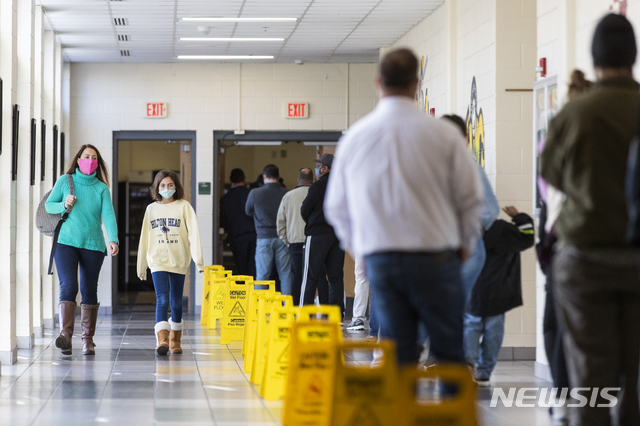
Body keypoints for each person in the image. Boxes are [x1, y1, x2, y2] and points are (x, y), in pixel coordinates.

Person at [325, 48, 483, 366]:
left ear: (378, 83)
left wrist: (361, 249)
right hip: (437, 256)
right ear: (417, 84)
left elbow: (336, 208)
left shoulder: (356, 138)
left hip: (383, 259)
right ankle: (453, 412)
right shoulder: (445, 135)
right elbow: (470, 198)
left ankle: (398, 409)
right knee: (448, 349)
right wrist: (465, 244)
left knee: (396, 351)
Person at [541, 13, 640, 426]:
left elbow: (551, 174)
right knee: (634, 375)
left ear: (594, 57)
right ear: (633, 55)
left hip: (585, 257)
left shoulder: (576, 113)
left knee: (590, 376)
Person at [45, 144, 119, 356]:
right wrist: (63, 204)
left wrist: (113, 240)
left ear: (97, 162)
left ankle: (88, 340)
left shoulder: (101, 188)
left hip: (93, 245)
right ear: (78, 159)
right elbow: (49, 205)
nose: (90, 160)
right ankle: (65, 336)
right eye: (86, 156)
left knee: (89, 289)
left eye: (94, 157)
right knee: (68, 286)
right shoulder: (65, 181)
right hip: (66, 242)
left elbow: (109, 216)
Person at [464, 206, 534, 386]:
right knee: (493, 332)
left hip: (473, 290)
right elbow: (528, 238)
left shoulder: (465, 229)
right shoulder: (504, 230)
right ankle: (484, 370)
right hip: (498, 290)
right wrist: (519, 217)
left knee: (471, 328)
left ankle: (466, 366)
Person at [137, 170, 204, 356]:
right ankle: (163, 340)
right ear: (157, 188)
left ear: (176, 187)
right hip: (157, 260)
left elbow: (194, 234)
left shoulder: (184, 207)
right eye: (163, 186)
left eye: (170, 185)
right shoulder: (151, 209)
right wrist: (142, 265)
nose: (167, 189)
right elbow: (144, 237)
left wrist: (199, 261)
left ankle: (175, 340)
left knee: (176, 302)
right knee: (162, 299)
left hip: (179, 260)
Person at [300, 153, 346, 318]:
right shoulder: (342, 185)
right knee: (335, 276)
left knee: (310, 275)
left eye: (319, 166)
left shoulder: (317, 187)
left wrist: (312, 221)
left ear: (325, 168)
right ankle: (337, 314)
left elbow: (304, 210)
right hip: (337, 235)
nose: (317, 169)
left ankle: (306, 313)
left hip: (317, 234)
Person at [276, 167, 329, 305]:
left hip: (296, 242)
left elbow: (280, 222)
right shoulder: (320, 192)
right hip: (317, 239)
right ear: (313, 178)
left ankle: (297, 308)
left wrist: (286, 239)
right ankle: (325, 309)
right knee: (320, 276)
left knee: (298, 277)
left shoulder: (288, 196)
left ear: (298, 179)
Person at [245, 164, 293, 294]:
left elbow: (248, 211)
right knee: (285, 275)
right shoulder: (287, 193)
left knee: (262, 276)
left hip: (264, 237)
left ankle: (260, 308)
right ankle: (286, 309)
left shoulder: (255, 193)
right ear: (278, 177)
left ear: (264, 176)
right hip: (283, 238)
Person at [220, 168, 257, 277]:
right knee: (254, 267)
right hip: (255, 235)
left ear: (231, 180)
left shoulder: (226, 199)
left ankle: (245, 291)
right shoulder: (251, 194)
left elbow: (223, 221)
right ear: (244, 180)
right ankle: (255, 291)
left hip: (238, 238)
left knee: (242, 270)